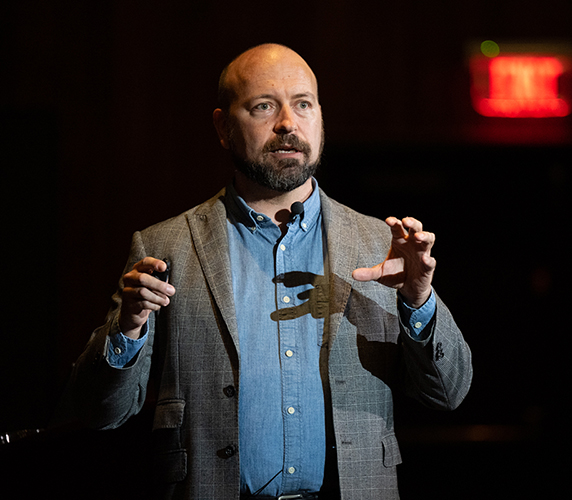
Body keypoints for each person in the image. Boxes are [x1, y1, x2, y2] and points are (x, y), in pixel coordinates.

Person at [71, 43, 472, 500]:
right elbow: (100, 412)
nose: (287, 123)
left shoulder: (380, 243)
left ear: (320, 117)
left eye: (303, 104)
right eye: (264, 106)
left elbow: (449, 394)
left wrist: (418, 300)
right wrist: (128, 330)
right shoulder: (165, 247)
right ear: (223, 126)